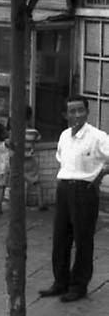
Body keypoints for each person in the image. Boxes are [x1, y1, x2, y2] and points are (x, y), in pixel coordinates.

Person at [39, 95, 109, 302]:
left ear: (87, 112)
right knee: (61, 238)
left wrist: (100, 175)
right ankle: (60, 282)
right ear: (65, 114)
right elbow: (62, 160)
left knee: (83, 239)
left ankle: (79, 286)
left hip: (84, 190)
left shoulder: (97, 137)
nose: (77, 115)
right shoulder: (63, 136)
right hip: (63, 190)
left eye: (81, 110)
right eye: (72, 111)